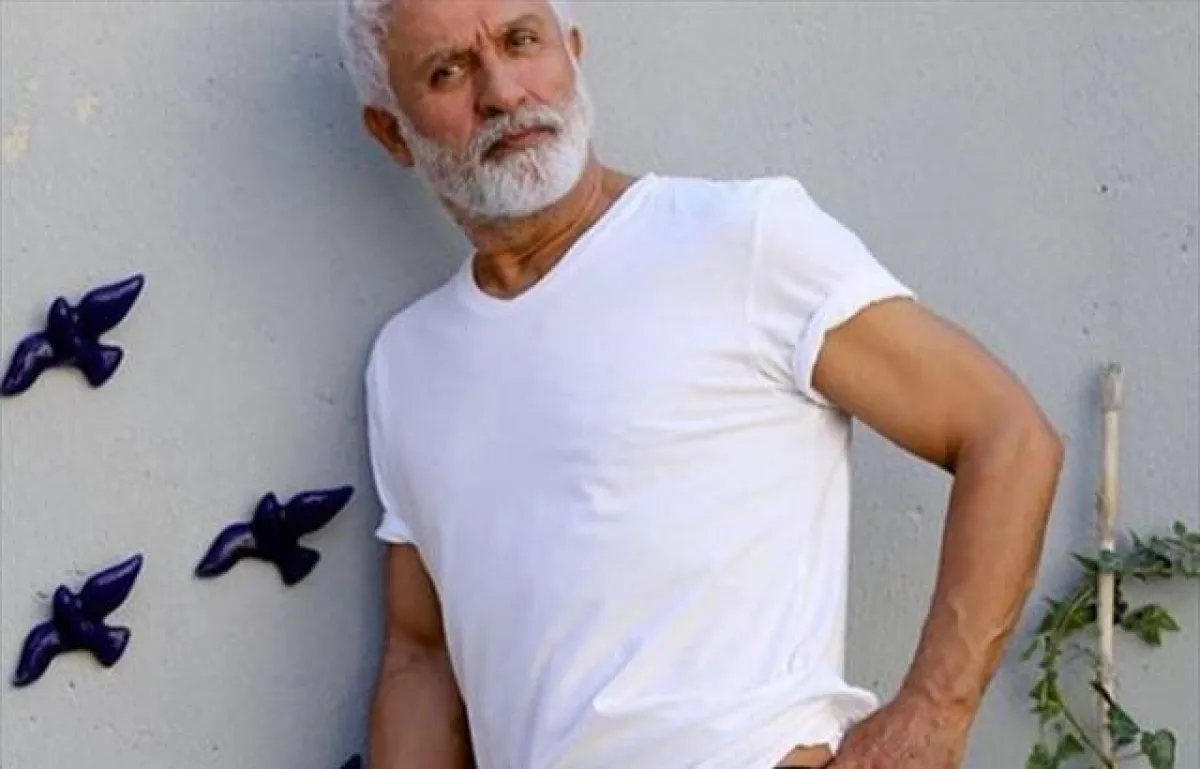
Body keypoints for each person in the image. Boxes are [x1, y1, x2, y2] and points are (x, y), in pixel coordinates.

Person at [335, 1, 1065, 767]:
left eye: (522, 41)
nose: (504, 92)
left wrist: (932, 715)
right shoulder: (407, 361)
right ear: (391, 132)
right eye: (448, 71)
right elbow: (420, 654)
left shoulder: (738, 238)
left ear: (572, 53)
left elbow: (1006, 433)